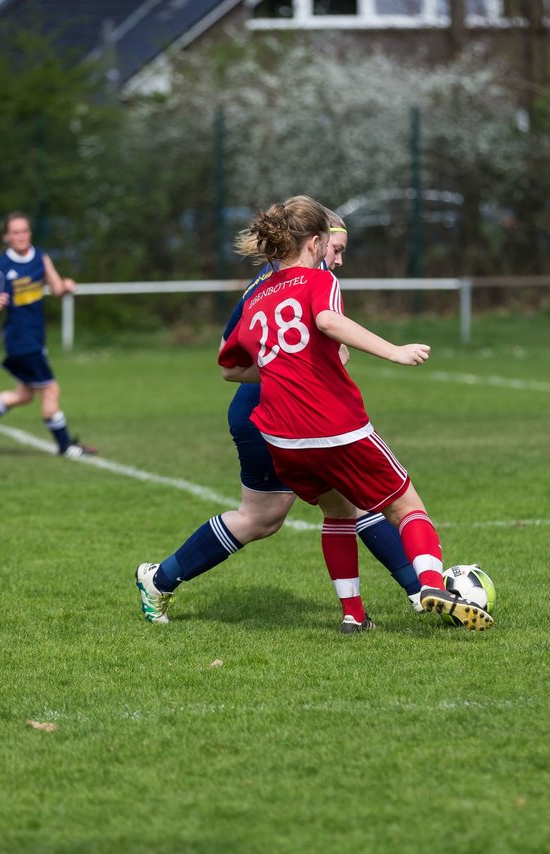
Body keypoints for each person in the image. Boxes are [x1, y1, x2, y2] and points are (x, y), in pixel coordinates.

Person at [134, 205, 424, 632]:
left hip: (274, 412)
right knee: (358, 498)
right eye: (336, 248)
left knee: (262, 519)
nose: (339, 259)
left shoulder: (280, 285)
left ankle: (158, 579)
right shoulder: (275, 286)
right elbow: (229, 354)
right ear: (314, 242)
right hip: (272, 412)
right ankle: (421, 592)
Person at [216, 195, 492, 631]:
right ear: (314, 242)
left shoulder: (258, 294)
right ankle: (431, 585)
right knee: (407, 506)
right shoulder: (317, 280)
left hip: (283, 439)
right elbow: (327, 321)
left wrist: (277, 364)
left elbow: (230, 369)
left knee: (340, 512)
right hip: (333, 425)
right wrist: (394, 351)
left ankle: (354, 616)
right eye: (329, 243)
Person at [0, 212, 96, 459]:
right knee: (51, 390)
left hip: (35, 336)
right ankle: (65, 446)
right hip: (20, 339)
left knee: (23, 395)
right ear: (7, 237)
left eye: (25, 231)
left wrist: (66, 287)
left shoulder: (41, 258)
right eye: (16, 232)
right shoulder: (0, 266)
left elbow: (56, 289)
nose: (21, 236)